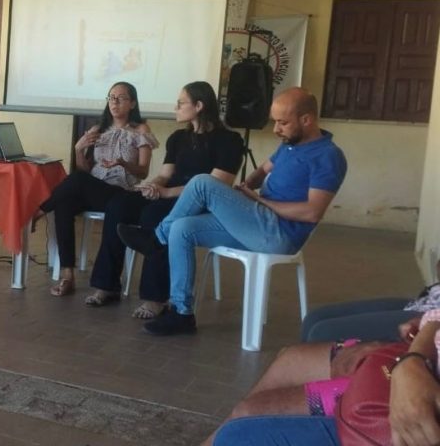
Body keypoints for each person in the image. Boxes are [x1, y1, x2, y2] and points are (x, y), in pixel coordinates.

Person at [118, 87, 347, 335]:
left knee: (202, 182)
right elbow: (263, 170)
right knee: (182, 228)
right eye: (275, 122)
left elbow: (312, 212)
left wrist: (259, 201)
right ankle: (181, 314)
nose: (276, 129)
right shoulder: (290, 144)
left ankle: (156, 239)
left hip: (278, 234)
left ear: (307, 120)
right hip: (256, 222)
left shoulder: (328, 156)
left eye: (283, 123)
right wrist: (246, 187)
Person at [85, 81, 244, 313]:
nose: (175, 108)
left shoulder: (229, 140)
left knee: (153, 215)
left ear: (199, 106)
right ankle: (107, 285)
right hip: (169, 194)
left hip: (200, 202)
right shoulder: (178, 137)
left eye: (181, 103)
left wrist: (167, 192)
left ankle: (155, 298)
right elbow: (165, 175)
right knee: (118, 205)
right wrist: (153, 186)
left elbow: (215, 184)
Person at [205, 311, 440, 446]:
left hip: (406, 392)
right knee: (291, 358)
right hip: (410, 356)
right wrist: (413, 359)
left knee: (244, 423)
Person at [37, 81, 158, 297]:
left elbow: (143, 172)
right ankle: (67, 275)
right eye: (111, 97)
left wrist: (123, 163)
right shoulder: (98, 130)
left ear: (132, 103)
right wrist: (78, 150)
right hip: (94, 188)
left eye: (121, 98)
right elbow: (85, 170)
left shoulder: (141, 130)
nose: (115, 102)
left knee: (76, 181)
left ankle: (40, 209)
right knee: (65, 202)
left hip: (120, 193)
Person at [300, 259, 440, 342]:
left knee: (322, 332)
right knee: (314, 318)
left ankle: (318, 380)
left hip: (431, 318)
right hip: (428, 300)